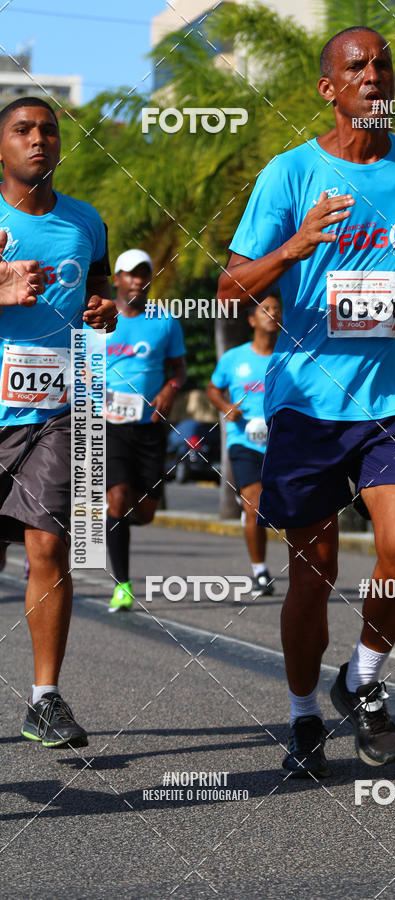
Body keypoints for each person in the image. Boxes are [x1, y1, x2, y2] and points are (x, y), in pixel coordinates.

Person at [217, 27, 395, 777]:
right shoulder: (289, 174)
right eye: (356, 66)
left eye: (383, 63)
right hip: (305, 406)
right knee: (313, 573)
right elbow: (230, 289)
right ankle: (301, 716)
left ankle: (362, 675)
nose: (374, 73)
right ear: (329, 89)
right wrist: (293, 248)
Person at [0, 97, 116, 748]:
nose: (38, 140)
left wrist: (103, 312)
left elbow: (99, 298)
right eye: (22, 130)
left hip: (56, 409)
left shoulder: (85, 222)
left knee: (47, 546)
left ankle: (45, 698)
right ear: (1, 147)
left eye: (48, 130)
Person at [100, 249, 187, 612]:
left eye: (144, 274)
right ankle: (122, 584)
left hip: (149, 427)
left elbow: (179, 370)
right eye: (130, 274)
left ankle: (109, 524)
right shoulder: (98, 316)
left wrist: (170, 389)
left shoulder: (164, 321)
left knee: (146, 510)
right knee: (118, 497)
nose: (138, 280)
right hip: (110, 425)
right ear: (117, 278)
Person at [207, 294, 282, 595]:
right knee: (255, 505)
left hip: (282, 443)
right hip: (244, 441)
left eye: (276, 309)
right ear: (252, 319)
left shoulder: (290, 357)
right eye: (265, 309)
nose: (272, 314)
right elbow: (213, 389)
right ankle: (260, 571)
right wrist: (226, 406)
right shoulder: (234, 358)